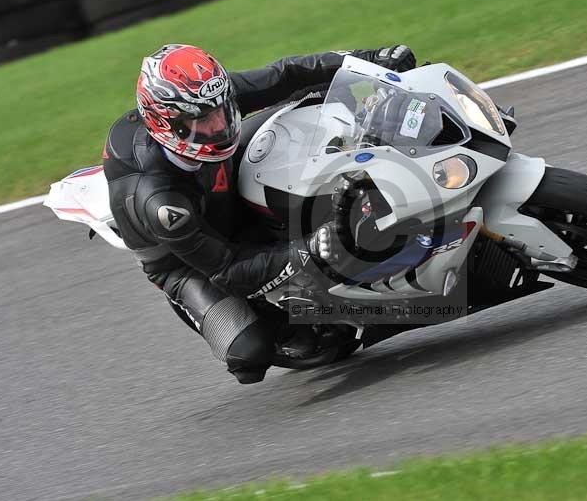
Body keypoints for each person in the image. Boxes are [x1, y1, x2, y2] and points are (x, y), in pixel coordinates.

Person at [103, 43, 416, 384]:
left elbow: (286, 74)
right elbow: (228, 269)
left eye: (221, 111)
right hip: (189, 261)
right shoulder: (160, 200)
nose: (219, 125)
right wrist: (313, 247)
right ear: (167, 124)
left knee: (311, 96)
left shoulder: (204, 101)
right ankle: (283, 327)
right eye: (202, 122)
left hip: (218, 182)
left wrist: (369, 60)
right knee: (250, 353)